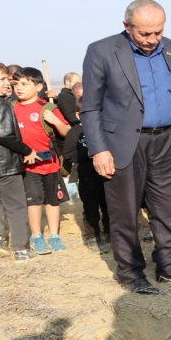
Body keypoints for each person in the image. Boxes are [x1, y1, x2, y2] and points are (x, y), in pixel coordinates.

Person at [81, 0, 171, 294]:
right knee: (124, 210)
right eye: (145, 34)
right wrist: (98, 149)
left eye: (158, 32)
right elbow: (90, 107)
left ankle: (169, 266)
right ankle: (130, 272)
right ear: (127, 26)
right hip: (123, 143)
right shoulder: (101, 51)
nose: (152, 40)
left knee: (168, 207)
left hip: (166, 139)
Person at [11, 67, 72, 255]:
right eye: (15, 84)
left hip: (50, 164)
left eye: (24, 84)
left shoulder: (47, 107)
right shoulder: (11, 108)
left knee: (53, 201)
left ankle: (54, 235)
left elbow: (67, 132)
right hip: (27, 166)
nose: (19, 88)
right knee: (34, 201)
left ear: (38, 86)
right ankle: (36, 236)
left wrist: (55, 121)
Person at [0, 60, 36, 261]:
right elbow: (5, 135)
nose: (8, 83)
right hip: (5, 165)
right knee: (16, 206)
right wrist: (27, 150)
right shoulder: (0, 104)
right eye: (3, 79)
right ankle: (20, 249)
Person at [63, 97, 110, 253]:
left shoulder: (105, 129)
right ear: (78, 115)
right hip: (87, 177)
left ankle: (110, 233)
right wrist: (87, 154)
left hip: (107, 175)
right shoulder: (74, 132)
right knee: (91, 209)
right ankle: (92, 237)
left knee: (109, 207)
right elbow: (68, 154)